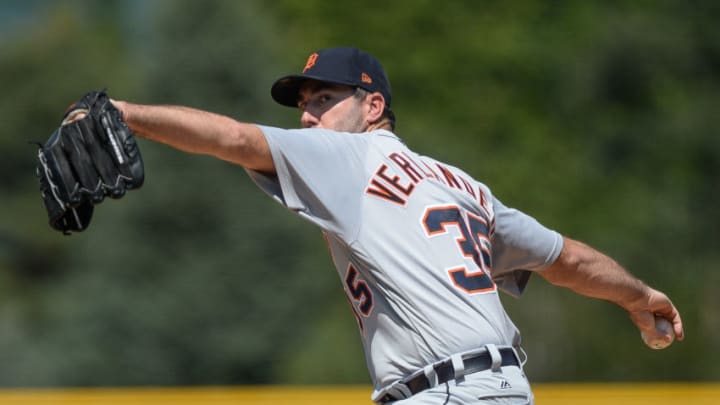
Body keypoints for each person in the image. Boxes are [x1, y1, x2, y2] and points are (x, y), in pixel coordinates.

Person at [110, 47, 684, 404]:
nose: (308, 116)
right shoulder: (464, 186)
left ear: (374, 107)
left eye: (325, 98)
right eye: (303, 105)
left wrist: (127, 116)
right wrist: (639, 296)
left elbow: (234, 138)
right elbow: (569, 261)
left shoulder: (344, 156)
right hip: (504, 389)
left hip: (443, 393)